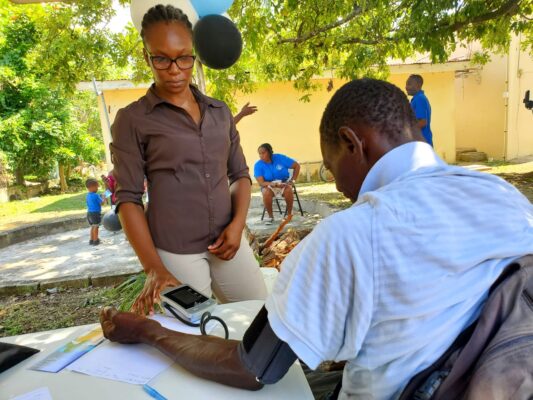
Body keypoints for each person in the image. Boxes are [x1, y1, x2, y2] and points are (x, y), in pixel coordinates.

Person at [100, 78, 533, 399]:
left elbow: (253, 368)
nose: (340, 185)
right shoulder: (503, 195)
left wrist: (148, 332)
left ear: (351, 144)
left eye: (330, 167)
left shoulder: (350, 236)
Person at [110, 5, 266, 313]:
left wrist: (237, 225)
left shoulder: (220, 112)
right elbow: (127, 199)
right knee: (196, 337)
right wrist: (153, 268)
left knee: (261, 319)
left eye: (183, 57)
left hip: (228, 242)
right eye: (161, 58)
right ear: (146, 57)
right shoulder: (133, 120)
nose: (174, 69)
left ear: (193, 54)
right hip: (175, 251)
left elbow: (240, 175)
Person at [254, 143, 300, 225]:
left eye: (263, 153)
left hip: (283, 183)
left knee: (288, 190)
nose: (261, 156)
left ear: (269, 152)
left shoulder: (280, 158)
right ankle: (270, 217)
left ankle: (289, 214)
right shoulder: (258, 165)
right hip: (269, 185)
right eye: (259, 154)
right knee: (266, 192)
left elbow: (297, 166)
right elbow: (261, 182)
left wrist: (292, 181)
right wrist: (274, 185)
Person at [406, 74, 433, 146]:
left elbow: (422, 122)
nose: (406, 87)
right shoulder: (419, 98)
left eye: (409, 84)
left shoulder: (419, 99)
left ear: (418, 85)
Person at [85, 178, 105, 246]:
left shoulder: (87, 195)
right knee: (96, 227)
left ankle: (91, 239)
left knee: (93, 226)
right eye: (97, 187)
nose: (97, 188)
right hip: (95, 213)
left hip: (89, 213)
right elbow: (102, 203)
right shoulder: (96, 195)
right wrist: (104, 197)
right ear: (92, 187)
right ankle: (96, 240)